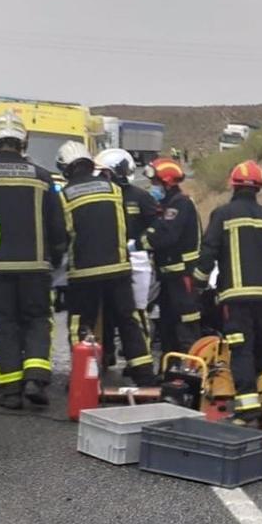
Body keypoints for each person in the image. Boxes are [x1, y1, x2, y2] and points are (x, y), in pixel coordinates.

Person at [0, 112, 65, 409]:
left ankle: (9, 389)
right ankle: (36, 377)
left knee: (2, 323)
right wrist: (55, 259)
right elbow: (58, 227)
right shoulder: (43, 178)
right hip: (36, 267)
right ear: (24, 142)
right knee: (37, 320)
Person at [194, 160, 262, 420]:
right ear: (259, 187)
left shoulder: (223, 214)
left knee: (241, 349)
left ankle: (247, 411)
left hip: (235, 299)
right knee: (261, 346)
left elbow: (208, 252)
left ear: (233, 185)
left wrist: (199, 284)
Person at [55, 142, 157, 387]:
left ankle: (83, 375)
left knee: (81, 322)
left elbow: (62, 236)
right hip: (119, 268)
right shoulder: (113, 189)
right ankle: (144, 375)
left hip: (84, 272)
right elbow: (122, 226)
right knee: (128, 319)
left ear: (66, 169)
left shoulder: (65, 196)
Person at [95, 148, 157, 364]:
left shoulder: (141, 197)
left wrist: (140, 245)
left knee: (135, 311)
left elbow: (157, 227)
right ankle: (107, 353)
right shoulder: (101, 197)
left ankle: (140, 357)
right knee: (106, 312)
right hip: (110, 261)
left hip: (136, 262)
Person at [140, 158, 202, 355]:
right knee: (167, 324)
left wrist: (142, 242)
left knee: (185, 324)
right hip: (168, 276)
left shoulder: (180, 204)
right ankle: (169, 371)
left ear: (167, 182)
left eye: (156, 183)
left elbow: (168, 236)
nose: (153, 187)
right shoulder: (167, 205)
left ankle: (190, 370)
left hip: (182, 275)